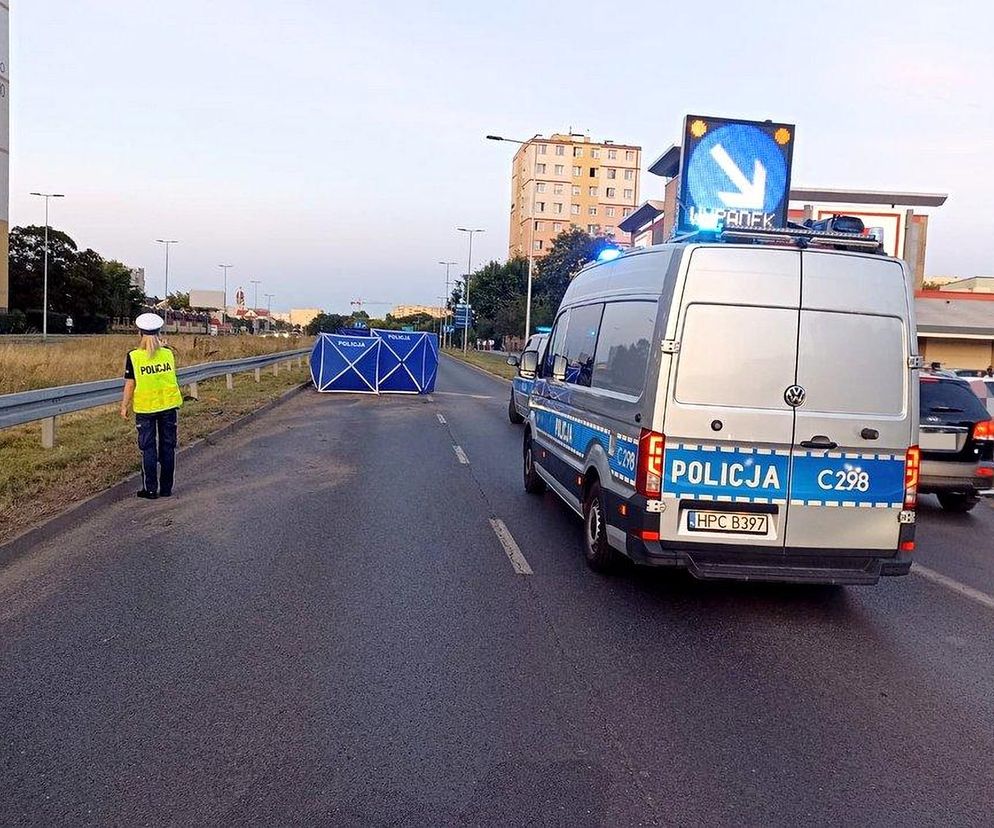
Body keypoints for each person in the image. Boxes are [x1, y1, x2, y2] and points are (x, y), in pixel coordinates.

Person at [119, 313, 183, 499]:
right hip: (169, 406)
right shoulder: (168, 353)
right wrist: (162, 346)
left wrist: (124, 405)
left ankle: (150, 489)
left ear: (139, 333)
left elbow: (130, 384)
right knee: (168, 447)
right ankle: (166, 489)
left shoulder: (134, 356)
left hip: (146, 409)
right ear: (159, 332)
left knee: (148, 449)